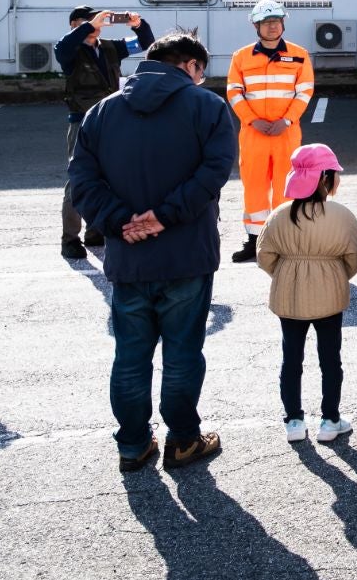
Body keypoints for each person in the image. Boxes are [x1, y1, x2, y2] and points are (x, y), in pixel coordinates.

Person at [68, 32, 236, 472]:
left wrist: (120, 221)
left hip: (128, 255)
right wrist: (164, 216)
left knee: (130, 354)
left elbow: (81, 181)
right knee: (182, 352)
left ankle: (133, 444)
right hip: (186, 252)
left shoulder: (102, 112)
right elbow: (214, 171)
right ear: (191, 67)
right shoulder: (207, 107)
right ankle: (183, 440)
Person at [256, 143, 357, 444]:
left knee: (291, 357)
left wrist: (287, 272)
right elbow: (354, 256)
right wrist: (335, 274)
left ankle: (294, 421)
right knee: (330, 358)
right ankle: (330, 419)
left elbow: (264, 255)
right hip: (330, 294)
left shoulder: (279, 215)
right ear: (326, 178)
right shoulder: (341, 216)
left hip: (289, 295)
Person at [56, 6, 154, 259]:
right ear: (73, 25)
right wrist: (89, 26)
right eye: (86, 22)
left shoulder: (111, 47)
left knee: (109, 178)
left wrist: (138, 24)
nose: (94, 25)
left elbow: (146, 43)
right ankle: (70, 238)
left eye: (97, 21)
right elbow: (62, 47)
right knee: (77, 180)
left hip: (111, 121)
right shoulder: (70, 51)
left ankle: (96, 230)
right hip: (81, 122)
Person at [226, 0, 316, 263]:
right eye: (266, 23)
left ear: (283, 23)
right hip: (253, 132)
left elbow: (305, 91)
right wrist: (252, 120)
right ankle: (255, 241)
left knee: (285, 186)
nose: (272, 26)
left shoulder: (299, 55)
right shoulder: (241, 57)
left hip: (286, 132)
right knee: (254, 185)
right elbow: (233, 91)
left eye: (276, 21)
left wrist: (286, 120)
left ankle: (284, 239)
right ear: (256, 25)